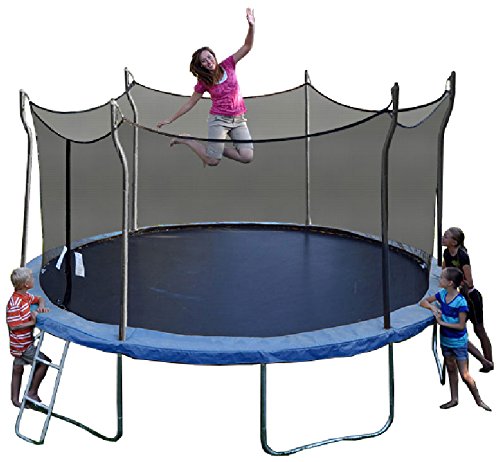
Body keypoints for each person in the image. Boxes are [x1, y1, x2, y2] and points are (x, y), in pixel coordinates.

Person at [157, 8, 255, 167]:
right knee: (212, 160)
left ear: (214, 57)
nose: (208, 61)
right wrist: (170, 119)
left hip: (238, 119)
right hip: (219, 120)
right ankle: (187, 139)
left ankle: (217, 146)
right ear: (201, 65)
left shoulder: (229, 65)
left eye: (209, 57)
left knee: (246, 156)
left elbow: (247, 46)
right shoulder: (203, 82)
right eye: (204, 61)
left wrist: (251, 26)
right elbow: (190, 103)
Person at [420, 267, 491, 411]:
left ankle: (479, 400)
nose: (439, 280)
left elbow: (460, 326)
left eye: (441, 278)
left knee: (465, 375)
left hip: (458, 342)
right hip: (446, 341)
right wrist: (433, 308)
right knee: (451, 369)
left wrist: (441, 322)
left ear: (450, 283)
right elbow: (423, 301)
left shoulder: (461, 302)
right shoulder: (442, 294)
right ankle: (454, 399)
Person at [442, 227, 493, 372]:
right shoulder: (446, 253)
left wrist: (455, 282)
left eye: (446, 236)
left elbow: (469, 281)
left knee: (479, 329)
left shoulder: (462, 256)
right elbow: (445, 270)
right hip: (459, 299)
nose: (442, 238)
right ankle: (481, 360)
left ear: (454, 242)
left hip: (471, 297)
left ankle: (489, 360)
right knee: (458, 331)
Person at [6, 267, 51, 407]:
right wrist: (32, 322)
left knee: (18, 368)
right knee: (44, 363)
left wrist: (41, 306)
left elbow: (39, 298)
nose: (33, 280)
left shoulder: (25, 297)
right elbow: (13, 326)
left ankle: (15, 400)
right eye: (31, 279)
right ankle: (32, 393)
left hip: (19, 344)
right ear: (26, 284)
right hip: (22, 345)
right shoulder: (15, 303)